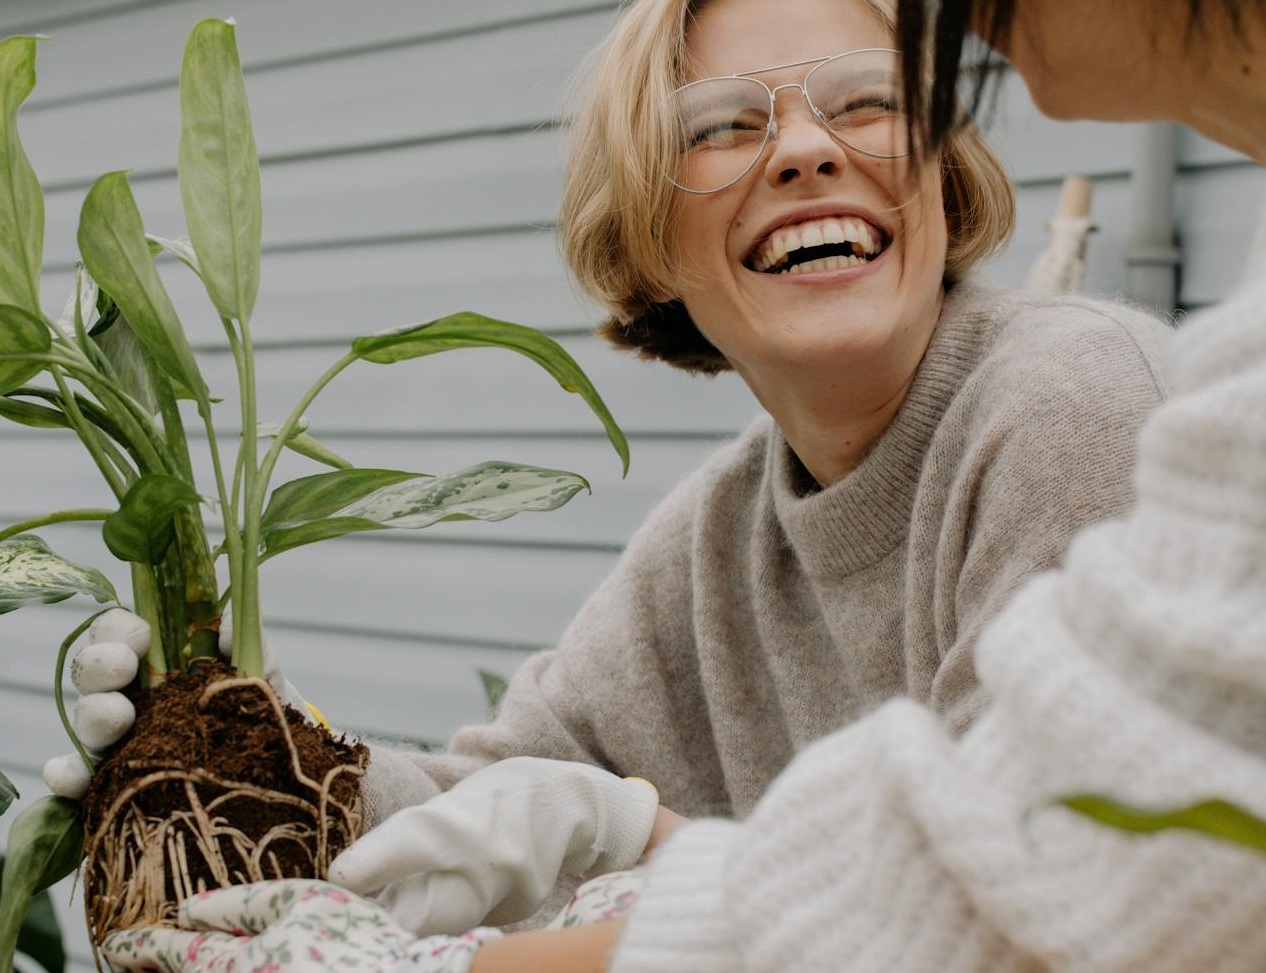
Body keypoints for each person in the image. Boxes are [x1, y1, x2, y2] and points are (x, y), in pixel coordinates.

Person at [74, 0, 1189, 969]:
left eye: (865, 104)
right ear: (651, 238)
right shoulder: (715, 536)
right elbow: (503, 790)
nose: (805, 150)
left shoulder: (1068, 405)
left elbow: (999, 914)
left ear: (943, 172)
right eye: (722, 125)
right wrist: (210, 754)